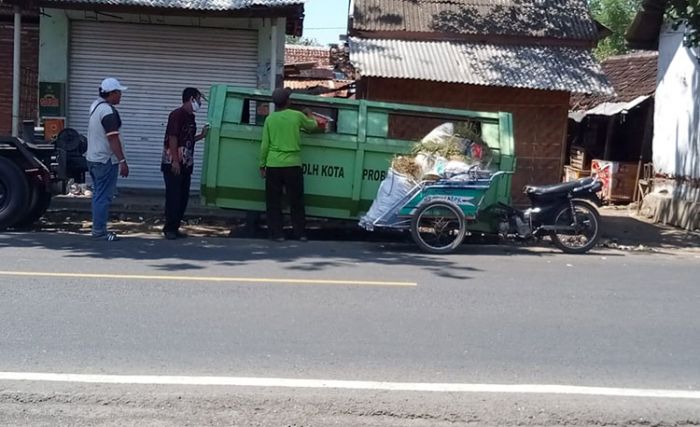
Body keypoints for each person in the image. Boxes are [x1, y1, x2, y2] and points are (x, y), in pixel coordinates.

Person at [259, 87, 318, 241]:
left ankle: (277, 234)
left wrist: (262, 164)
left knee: (273, 202)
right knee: (296, 201)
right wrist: (310, 114)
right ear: (288, 101)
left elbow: (265, 145)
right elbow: (313, 126)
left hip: (273, 165)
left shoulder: (270, 119)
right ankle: (300, 233)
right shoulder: (297, 116)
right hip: (293, 164)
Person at [161, 87, 209, 240]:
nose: (200, 103)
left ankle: (175, 227)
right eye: (198, 99)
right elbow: (173, 138)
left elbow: (186, 139)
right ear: (191, 99)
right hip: (174, 163)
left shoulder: (191, 117)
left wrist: (201, 136)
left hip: (186, 163)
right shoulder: (177, 115)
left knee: (182, 197)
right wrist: (175, 160)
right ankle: (169, 228)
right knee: (173, 197)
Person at [86, 77, 129, 241]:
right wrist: (123, 161)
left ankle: (98, 228)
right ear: (111, 93)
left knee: (98, 195)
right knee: (103, 196)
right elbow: (113, 139)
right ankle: (99, 231)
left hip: (93, 158)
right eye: (119, 92)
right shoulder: (107, 112)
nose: (120, 96)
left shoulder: (95, 106)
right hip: (105, 160)